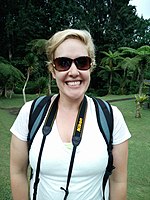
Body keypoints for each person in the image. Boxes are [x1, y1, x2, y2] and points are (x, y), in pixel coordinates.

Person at [10, 29, 131, 200]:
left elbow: (118, 181)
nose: (73, 71)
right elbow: (17, 172)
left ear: (91, 67)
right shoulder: (31, 112)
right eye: (63, 63)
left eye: (82, 62)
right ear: (53, 70)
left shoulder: (111, 116)